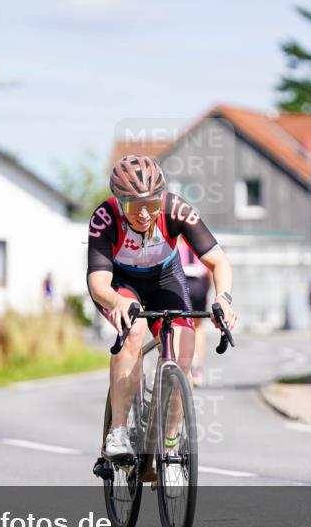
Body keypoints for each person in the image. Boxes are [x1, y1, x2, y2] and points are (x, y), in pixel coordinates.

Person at [87, 155, 237, 470]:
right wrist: (116, 303)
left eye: (151, 205)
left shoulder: (176, 209)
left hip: (166, 278)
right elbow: (98, 282)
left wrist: (223, 298)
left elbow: (218, 261)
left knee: (183, 357)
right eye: (133, 207)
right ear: (118, 203)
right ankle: (118, 432)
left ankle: (169, 446)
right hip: (121, 283)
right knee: (134, 332)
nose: (143, 214)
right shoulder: (105, 218)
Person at [180, 239, 210, 386]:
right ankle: (197, 370)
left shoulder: (175, 243)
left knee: (181, 324)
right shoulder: (201, 244)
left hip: (182, 282)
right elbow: (209, 271)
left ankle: (182, 366)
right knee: (198, 327)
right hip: (199, 283)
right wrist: (206, 291)